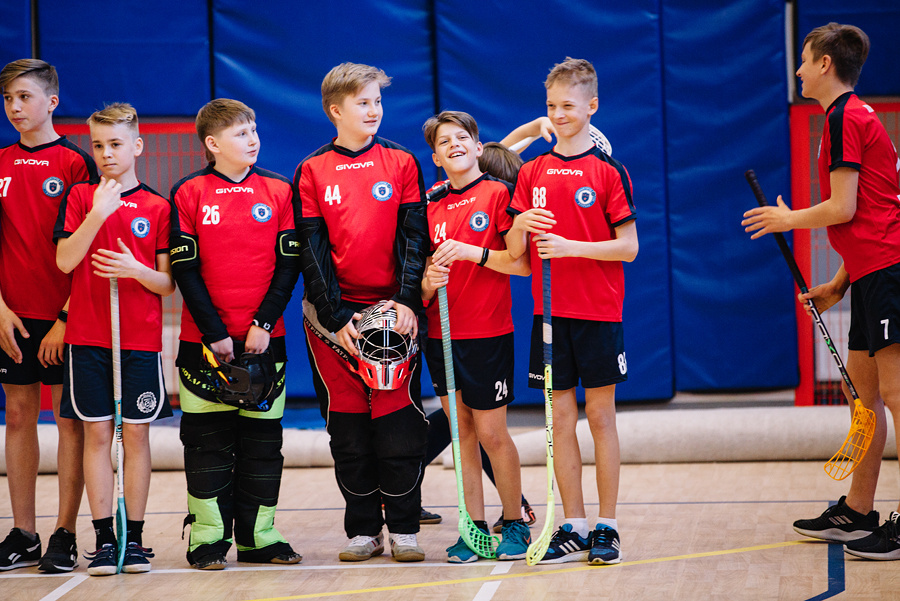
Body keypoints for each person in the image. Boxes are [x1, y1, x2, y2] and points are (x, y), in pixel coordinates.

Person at [742, 22, 900, 561]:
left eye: (805, 61)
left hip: (890, 273)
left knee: (897, 399)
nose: (798, 69)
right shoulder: (846, 117)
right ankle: (858, 510)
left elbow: (844, 208)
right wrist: (837, 282)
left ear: (826, 65)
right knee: (865, 403)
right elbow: (871, 214)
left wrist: (788, 220)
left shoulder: (844, 118)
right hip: (872, 272)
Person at [294, 62, 429, 563]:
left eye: (377, 101)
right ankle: (364, 531)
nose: (374, 110)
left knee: (397, 429)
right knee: (349, 434)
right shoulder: (311, 170)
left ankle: (406, 529)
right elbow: (311, 249)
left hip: (393, 315)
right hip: (335, 323)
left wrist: (406, 303)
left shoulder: (402, 162)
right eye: (363, 103)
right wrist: (334, 318)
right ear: (336, 111)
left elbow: (417, 239)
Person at [506, 57, 639, 565]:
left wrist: (571, 246)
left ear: (592, 106)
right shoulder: (533, 171)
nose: (558, 115)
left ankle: (607, 524)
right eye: (551, 106)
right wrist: (522, 226)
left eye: (568, 105)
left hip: (598, 311)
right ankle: (574, 524)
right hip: (549, 313)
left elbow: (628, 247)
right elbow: (516, 249)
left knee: (600, 416)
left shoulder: (609, 171)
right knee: (559, 419)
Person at [170, 98, 302, 570]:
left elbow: (289, 266)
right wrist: (214, 333)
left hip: (267, 343)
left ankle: (258, 538)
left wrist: (262, 324)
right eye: (241, 133)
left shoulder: (280, 190)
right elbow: (185, 273)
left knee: (264, 447)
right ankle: (206, 541)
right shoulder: (187, 193)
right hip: (203, 346)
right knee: (206, 446)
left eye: (253, 130)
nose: (253, 139)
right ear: (212, 143)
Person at [54, 103, 174, 575]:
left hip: (140, 341)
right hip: (88, 337)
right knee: (97, 433)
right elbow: (65, 260)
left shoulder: (157, 206)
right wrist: (98, 213)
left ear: (137, 146)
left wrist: (136, 270)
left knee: (138, 435)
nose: (106, 153)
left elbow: (167, 284)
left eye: (116, 144)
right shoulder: (82, 197)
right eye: (98, 145)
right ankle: (104, 538)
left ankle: (135, 537)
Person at [420, 110, 532, 562]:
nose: (454, 145)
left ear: (478, 146)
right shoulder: (429, 206)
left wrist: (472, 253)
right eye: (444, 142)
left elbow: (520, 264)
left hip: (487, 334)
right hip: (439, 335)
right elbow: (419, 285)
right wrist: (429, 280)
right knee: (461, 431)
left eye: (462, 137)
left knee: (491, 432)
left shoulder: (499, 195)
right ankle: (472, 528)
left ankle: (515, 522)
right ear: (435, 157)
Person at [0, 58, 96, 573]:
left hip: (64, 318)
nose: (16, 107)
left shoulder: (76, 164)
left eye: (25, 97)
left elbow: (85, 250)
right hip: (10, 317)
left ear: (52, 102)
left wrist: (64, 316)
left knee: (69, 424)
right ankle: (23, 533)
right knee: (17, 416)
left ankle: (63, 533)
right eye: (9, 99)